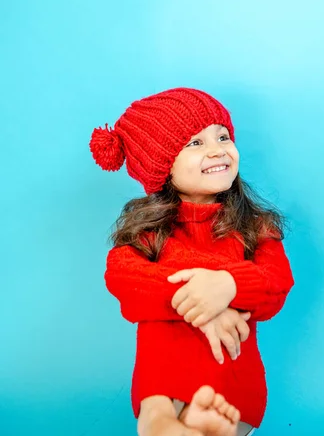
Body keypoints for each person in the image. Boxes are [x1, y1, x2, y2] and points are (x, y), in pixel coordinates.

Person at [89, 87, 295, 436]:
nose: (217, 149)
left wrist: (227, 286)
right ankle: (161, 420)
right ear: (161, 166)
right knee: (162, 366)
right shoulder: (151, 233)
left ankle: (207, 424)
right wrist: (203, 302)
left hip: (230, 380)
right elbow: (122, 276)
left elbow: (276, 282)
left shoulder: (256, 227)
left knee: (228, 400)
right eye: (195, 143)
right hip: (163, 382)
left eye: (223, 136)